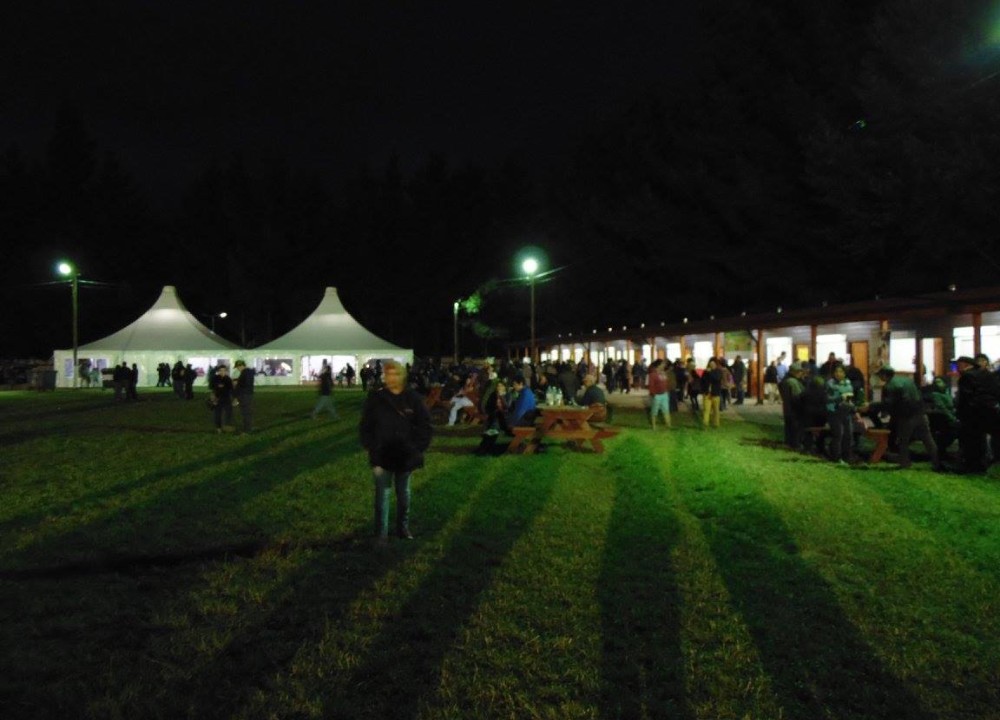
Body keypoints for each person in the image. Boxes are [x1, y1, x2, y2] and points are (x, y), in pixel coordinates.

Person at [359, 360, 432, 545]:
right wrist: (371, 445)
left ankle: (402, 527)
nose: (392, 378)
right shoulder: (376, 398)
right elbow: (366, 425)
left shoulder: (413, 398)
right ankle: (381, 534)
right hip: (381, 454)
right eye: (388, 374)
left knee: (403, 494)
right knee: (382, 495)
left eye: (396, 374)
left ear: (403, 376)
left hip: (405, 454)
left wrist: (417, 448)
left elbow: (425, 426)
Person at [869, 365, 940, 470]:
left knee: (903, 441)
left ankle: (905, 463)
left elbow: (889, 404)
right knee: (927, 439)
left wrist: (871, 406)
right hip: (920, 413)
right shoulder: (907, 380)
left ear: (884, 375)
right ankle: (937, 462)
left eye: (880, 375)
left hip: (906, 416)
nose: (880, 377)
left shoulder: (890, 386)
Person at [954, 355, 1000, 472]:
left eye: (958, 365)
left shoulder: (967, 376)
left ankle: (972, 466)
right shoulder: (987, 374)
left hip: (972, 414)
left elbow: (965, 398)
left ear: (964, 365)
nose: (957, 368)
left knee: (971, 441)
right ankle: (984, 462)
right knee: (983, 439)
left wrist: (960, 413)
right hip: (990, 411)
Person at [825, 364, 861, 464]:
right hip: (834, 412)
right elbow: (826, 399)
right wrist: (839, 398)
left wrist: (855, 411)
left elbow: (850, 399)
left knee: (848, 435)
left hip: (846, 412)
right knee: (838, 434)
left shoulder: (848, 384)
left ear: (845, 373)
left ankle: (847, 456)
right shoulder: (830, 384)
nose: (838, 374)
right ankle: (836, 457)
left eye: (841, 371)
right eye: (836, 371)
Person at [778, 361, 806, 450]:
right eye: (799, 371)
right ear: (794, 372)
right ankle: (795, 444)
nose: (801, 373)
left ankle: (789, 443)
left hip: (787, 407)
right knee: (795, 427)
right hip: (794, 408)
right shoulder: (792, 382)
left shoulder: (785, 380)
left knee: (789, 426)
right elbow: (797, 396)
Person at [209, 364, 235, 433]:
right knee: (217, 413)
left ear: (226, 371)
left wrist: (234, 398)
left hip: (226, 398)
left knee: (229, 413)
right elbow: (211, 388)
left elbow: (231, 389)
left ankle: (227, 426)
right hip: (217, 398)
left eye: (224, 370)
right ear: (218, 371)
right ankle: (218, 428)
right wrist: (213, 398)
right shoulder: (215, 378)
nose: (222, 372)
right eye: (221, 370)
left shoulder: (228, 379)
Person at [647, 359, 671, 429]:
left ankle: (668, 425)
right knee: (654, 411)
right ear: (658, 365)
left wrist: (667, 391)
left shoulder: (663, 373)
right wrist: (653, 394)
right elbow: (651, 386)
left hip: (664, 394)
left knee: (666, 410)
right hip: (656, 395)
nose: (664, 365)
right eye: (663, 364)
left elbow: (666, 383)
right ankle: (654, 426)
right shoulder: (652, 374)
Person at [233, 359, 255, 433]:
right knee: (247, 412)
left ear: (241, 366)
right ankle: (247, 428)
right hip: (247, 394)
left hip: (244, 395)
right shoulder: (248, 372)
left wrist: (237, 384)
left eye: (238, 367)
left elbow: (244, 384)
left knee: (246, 412)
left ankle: (247, 430)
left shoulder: (245, 372)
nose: (237, 369)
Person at [701, 358, 723, 429]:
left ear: (716, 364)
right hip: (707, 394)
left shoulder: (718, 371)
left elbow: (717, 378)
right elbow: (702, 381)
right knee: (706, 410)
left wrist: (710, 372)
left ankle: (716, 424)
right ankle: (705, 424)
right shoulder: (706, 372)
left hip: (716, 394)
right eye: (710, 364)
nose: (712, 365)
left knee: (716, 410)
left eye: (713, 364)